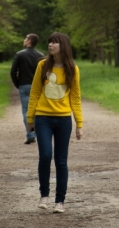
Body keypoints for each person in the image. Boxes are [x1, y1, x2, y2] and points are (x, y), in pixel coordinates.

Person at [27, 32, 83, 213]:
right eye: (49, 41)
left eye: (55, 42)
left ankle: (60, 201)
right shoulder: (42, 66)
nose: (50, 45)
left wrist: (79, 124)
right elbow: (35, 92)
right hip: (42, 118)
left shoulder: (72, 69)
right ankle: (44, 195)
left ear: (63, 46)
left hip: (64, 120)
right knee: (45, 155)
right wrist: (30, 118)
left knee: (61, 161)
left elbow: (75, 97)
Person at [10, 33, 44, 144]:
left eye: (26, 38)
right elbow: (44, 73)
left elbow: (13, 71)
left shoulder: (20, 55)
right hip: (37, 87)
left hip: (24, 86)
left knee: (26, 111)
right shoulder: (40, 55)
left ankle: (31, 133)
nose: (24, 40)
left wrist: (17, 84)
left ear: (29, 41)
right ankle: (40, 134)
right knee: (37, 111)